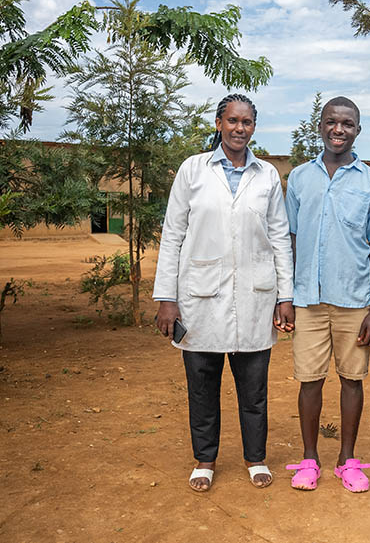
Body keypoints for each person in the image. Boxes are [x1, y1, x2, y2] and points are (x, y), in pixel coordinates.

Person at [153, 94, 294, 492]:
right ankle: (205, 460)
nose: (239, 129)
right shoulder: (193, 170)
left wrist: (285, 295)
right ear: (219, 123)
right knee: (202, 386)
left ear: (254, 128)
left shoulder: (267, 175)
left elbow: (280, 237)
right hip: (200, 298)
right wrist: (166, 298)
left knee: (254, 390)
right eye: (232, 121)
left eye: (246, 122)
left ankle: (255, 458)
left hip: (255, 297)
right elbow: (173, 235)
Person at [284, 96, 370, 493]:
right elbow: (291, 239)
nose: (338, 129)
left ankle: (347, 460)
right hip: (307, 299)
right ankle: (309, 459)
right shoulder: (299, 178)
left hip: (355, 300)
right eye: (331, 121)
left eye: (346, 123)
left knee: (351, 379)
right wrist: (286, 295)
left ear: (358, 130)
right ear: (320, 126)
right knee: (309, 381)